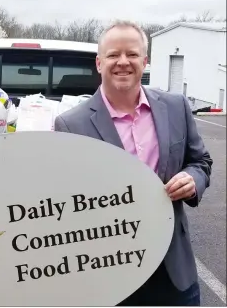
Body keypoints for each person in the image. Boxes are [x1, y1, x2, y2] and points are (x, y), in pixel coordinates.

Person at [54, 20, 212, 306]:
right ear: (99, 63)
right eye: (114, 55)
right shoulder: (71, 124)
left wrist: (193, 179)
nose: (123, 62)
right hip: (110, 272)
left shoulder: (176, 107)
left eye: (132, 54)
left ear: (145, 61)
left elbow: (200, 161)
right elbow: (65, 198)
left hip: (173, 269)